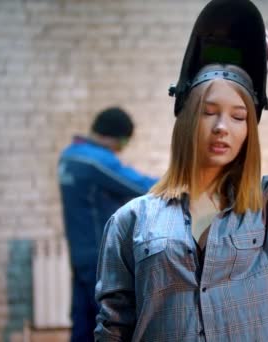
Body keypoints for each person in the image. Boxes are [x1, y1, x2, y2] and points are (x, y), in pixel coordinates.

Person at [94, 30, 268, 341]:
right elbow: (113, 326)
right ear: (186, 120)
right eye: (208, 112)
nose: (222, 127)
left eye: (239, 117)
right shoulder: (131, 220)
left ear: (249, 131)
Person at [58, 107, 158, 342]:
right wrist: (182, 179)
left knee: (82, 323)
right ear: (115, 137)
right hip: (100, 258)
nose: (120, 151)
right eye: (123, 143)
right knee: (110, 327)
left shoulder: (69, 155)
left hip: (79, 255)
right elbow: (141, 187)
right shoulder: (95, 161)